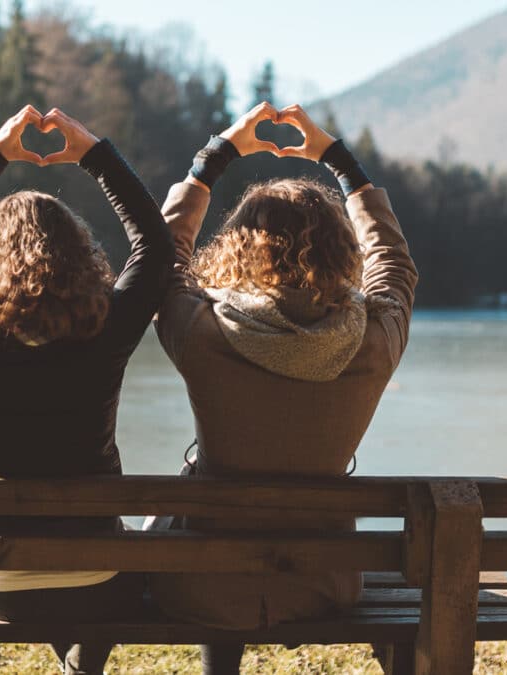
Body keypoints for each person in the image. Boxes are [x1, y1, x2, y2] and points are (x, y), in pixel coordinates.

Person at [150, 102, 419, 674]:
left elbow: (163, 260)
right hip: (325, 584)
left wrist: (212, 159)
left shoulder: (204, 333)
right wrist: (341, 163)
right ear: (341, 251)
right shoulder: (372, 343)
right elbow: (394, 266)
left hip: (205, 586)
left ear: (237, 249)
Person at [0, 105, 173, 675]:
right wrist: (95, 154)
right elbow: (155, 246)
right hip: (100, 578)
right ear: (79, 257)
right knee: (124, 553)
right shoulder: (106, 329)